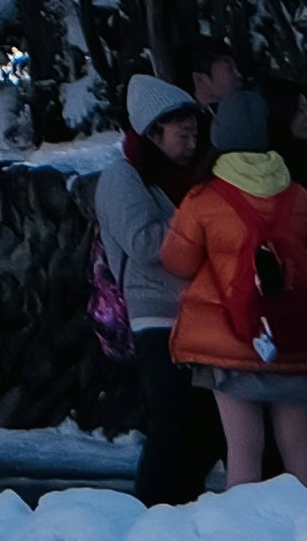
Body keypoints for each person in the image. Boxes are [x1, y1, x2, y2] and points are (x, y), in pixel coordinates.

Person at [173, 89, 307, 491]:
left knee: (244, 448)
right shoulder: (297, 194)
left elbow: (178, 261)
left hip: (234, 339)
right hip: (296, 335)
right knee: (299, 446)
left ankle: (243, 527)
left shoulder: (203, 198)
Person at [81, 85, 218, 506]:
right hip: (154, 315)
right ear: (153, 132)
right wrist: (203, 230)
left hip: (199, 315)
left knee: (204, 425)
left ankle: (181, 505)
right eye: (182, 135)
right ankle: (151, 509)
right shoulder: (123, 178)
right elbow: (143, 242)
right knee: (170, 422)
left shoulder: (192, 178)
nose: (191, 144)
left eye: (195, 135)